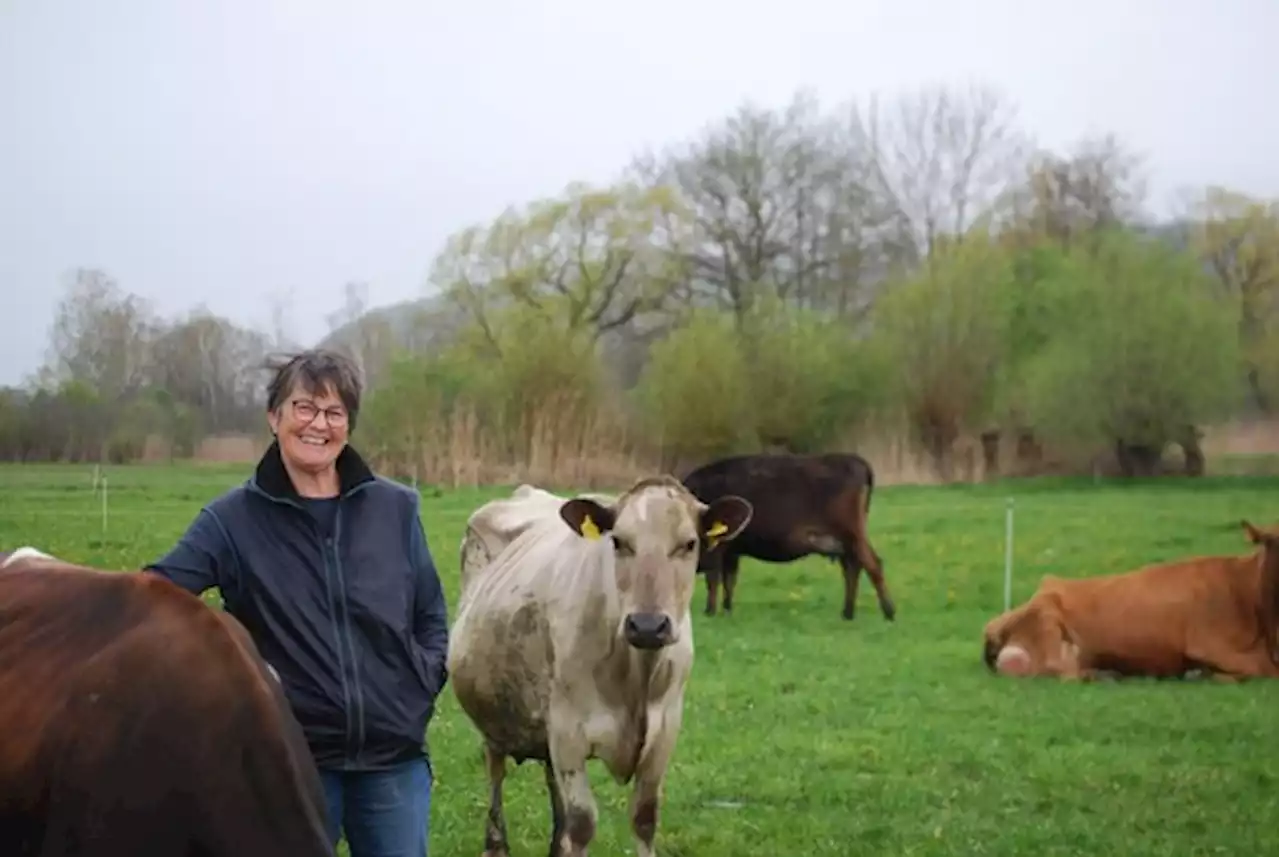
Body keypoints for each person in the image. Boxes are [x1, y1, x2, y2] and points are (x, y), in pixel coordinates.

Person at [145, 349, 449, 857]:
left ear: (348, 426)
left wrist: (421, 680)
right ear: (275, 417)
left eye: (334, 413)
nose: (318, 425)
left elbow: (431, 615)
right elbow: (156, 595)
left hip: (392, 762)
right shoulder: (231, 520)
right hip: (289, 762)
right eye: (304, 407)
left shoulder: (395, 508)